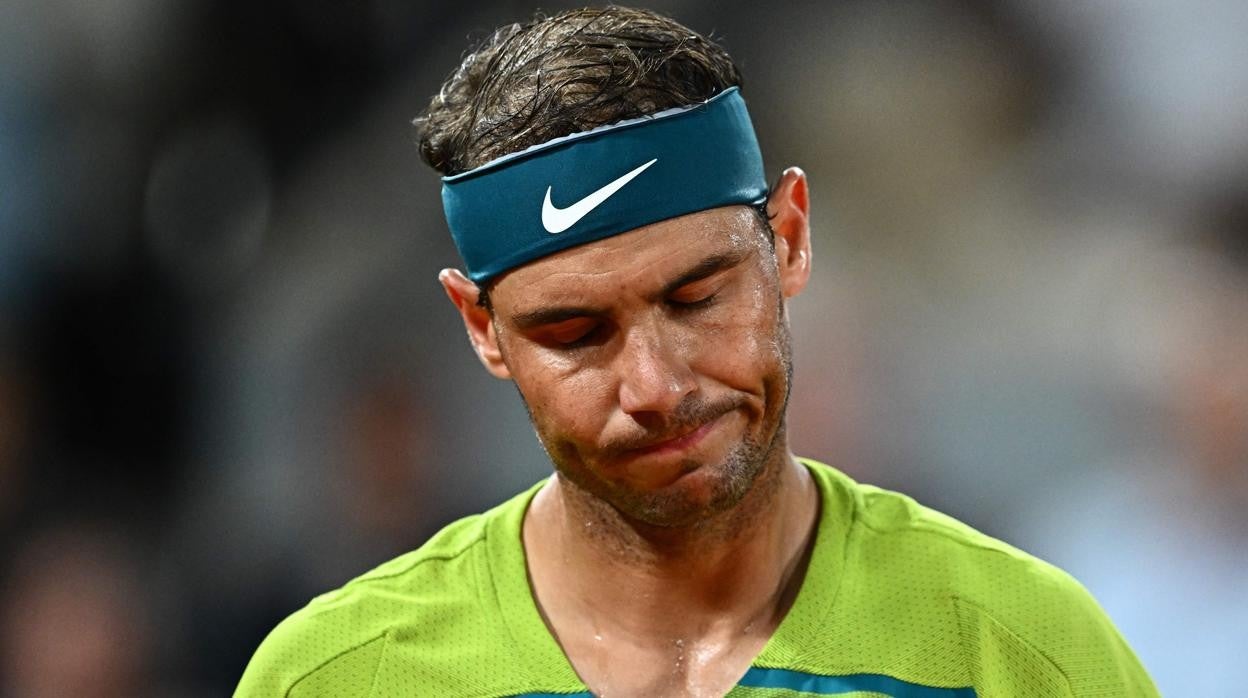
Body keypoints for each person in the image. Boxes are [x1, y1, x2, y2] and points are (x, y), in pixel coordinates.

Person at [235, 7, 1157, 697]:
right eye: (576, 333)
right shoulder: (337, 678)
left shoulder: (1022, 656)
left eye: (697, 298)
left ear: (788, 240)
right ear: (483, 330)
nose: (654, 386)